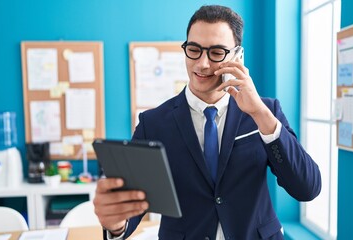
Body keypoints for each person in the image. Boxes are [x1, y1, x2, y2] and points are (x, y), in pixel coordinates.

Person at [94, 5, 321, 240]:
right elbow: (132, 207)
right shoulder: (153, 123)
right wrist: (116, 226)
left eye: (216, 52)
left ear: (237, 56)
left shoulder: (265, 112)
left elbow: (307, 188)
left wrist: (259, 114)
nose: (202, 64)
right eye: (194, 50)